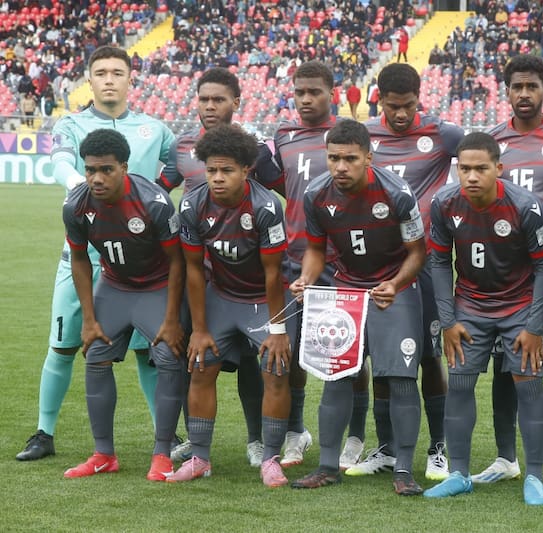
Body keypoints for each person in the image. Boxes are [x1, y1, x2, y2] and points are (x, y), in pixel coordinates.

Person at [16, 46, 176, 462]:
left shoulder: (153, 128)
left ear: (129, 78)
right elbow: (61, 165)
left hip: (141, 265)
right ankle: (43, 432)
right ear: (90, 78)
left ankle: (169, 437)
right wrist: (86, 190)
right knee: (65, 345)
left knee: (148, 351)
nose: (109, 79)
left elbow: (178, 166)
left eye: (117, 72)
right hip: (84, 255)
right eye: (100, 72)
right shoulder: (71, 123)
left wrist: (149, 195)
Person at [289, 119, 427, 496]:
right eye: (333, 158)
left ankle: (403, 469)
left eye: (350, 159)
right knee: (336, 376)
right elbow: (316, 249)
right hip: (344, 292)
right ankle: (327, 466)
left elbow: (418, 252)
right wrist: (307, 278)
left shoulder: (397, 193)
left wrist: (395, 284)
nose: (340, 167)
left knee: (399, 378)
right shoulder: (317, 195)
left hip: (393, 291)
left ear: (368, 157)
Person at [424, 132, 543, 505]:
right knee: (461, 384)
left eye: (481, 168)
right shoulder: (445, 203)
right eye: (464, 169)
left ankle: (533, 477)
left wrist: (533, 326)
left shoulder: (524, 206)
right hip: (470, 306)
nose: (472, 176)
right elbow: (437, 261)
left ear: (499, 168)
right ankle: (459, 474)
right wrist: (448, 320)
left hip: (519, 305)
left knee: (528, 386)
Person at [251, 60, 369, 469]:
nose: (305, 99)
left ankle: (355, 436)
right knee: (293, 354)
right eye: (299, 92)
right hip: (295, 259)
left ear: (332, 93)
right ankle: (296, 432)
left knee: (350, 354)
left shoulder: (347, 138)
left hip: (345, 263)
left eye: (314, 92)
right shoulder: (283, 134)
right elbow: (282, 185)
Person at [161, 67, 281, 467]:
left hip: (253, 269)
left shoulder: (256, 150)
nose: (210, 107)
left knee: (257, 360)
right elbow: (161, 190)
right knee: (193, 355)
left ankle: (259, 442)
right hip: (205, 273)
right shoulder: (182, 149)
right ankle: (196, 446)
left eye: (219, 99)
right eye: (204, 99)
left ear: (236, 103)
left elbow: (277, 194)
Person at [351, 63, 463, 481]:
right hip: (376, 265)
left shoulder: (442, 134)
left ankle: (438, 448)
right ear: (378, 99)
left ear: (420, 98)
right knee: (383, 360)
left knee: (432, 356)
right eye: (393, 106)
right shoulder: (365, 135)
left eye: (408, 106)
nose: (400, 115)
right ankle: (385, 448)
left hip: (427, 264)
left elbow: (478, 162)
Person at [481, 53, 543, 491]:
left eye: (532, 86)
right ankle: (506, 457)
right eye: (516, 86)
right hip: (506, 275)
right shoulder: (492, 141)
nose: (524, 94)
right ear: (506, 91)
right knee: (505, 366)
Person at [61, 129, 186, 481]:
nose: (97, 178)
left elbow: (177, 262)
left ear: (124, 167)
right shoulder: (76, 205)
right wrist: (88, 318)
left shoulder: (154, 202)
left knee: (166, 356)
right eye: (90, 170)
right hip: (114, 287)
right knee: (96, 354)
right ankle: (103, 454)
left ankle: (162, 453)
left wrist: (174, 318)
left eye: (106, 170)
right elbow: (80, 259)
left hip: (158, 288)